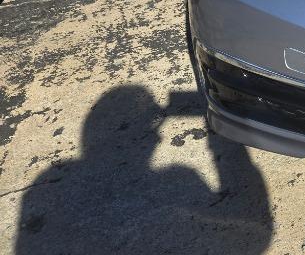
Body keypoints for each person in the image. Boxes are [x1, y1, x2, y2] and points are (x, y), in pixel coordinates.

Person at [16, 85, 273, 254]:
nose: (157, 136)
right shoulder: (180, 177)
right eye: (152, 125)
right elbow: (259, 234)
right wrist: (230, 133)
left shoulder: (47, 186)